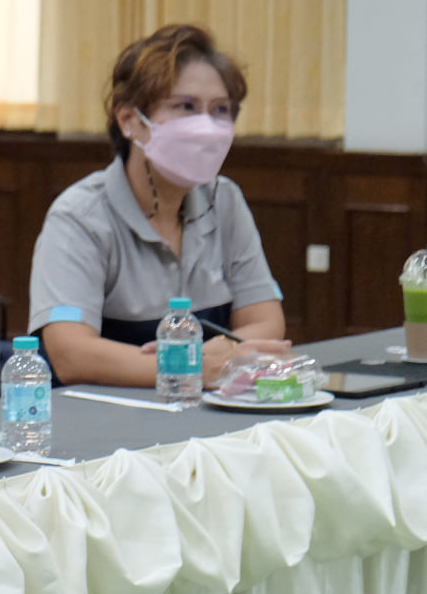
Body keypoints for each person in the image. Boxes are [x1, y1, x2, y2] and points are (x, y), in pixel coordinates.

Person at [29, 24, 290, 387]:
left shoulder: (224, 199)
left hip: (206, 412)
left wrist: (208, 361)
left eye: (220, 110)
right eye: (186, 106)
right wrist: (192, 366)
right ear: (129, 120)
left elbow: (266, 321)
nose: (207, 126)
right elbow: (71, 353)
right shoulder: (79, 218)